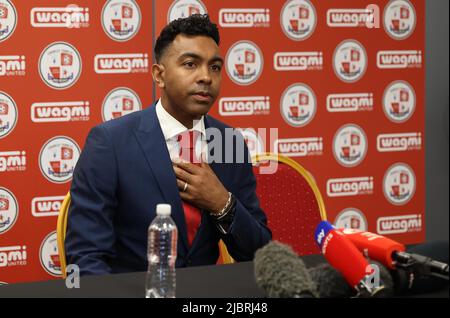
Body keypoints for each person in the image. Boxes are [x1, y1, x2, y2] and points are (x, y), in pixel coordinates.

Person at [65, 14, 272, 276]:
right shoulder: (110, 143)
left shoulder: (229, 142)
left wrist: (222, 203)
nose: (206, 77)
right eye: (190, 64)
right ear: (159, 75)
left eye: (215, 67)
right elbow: (86, 258)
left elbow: (261, 253)